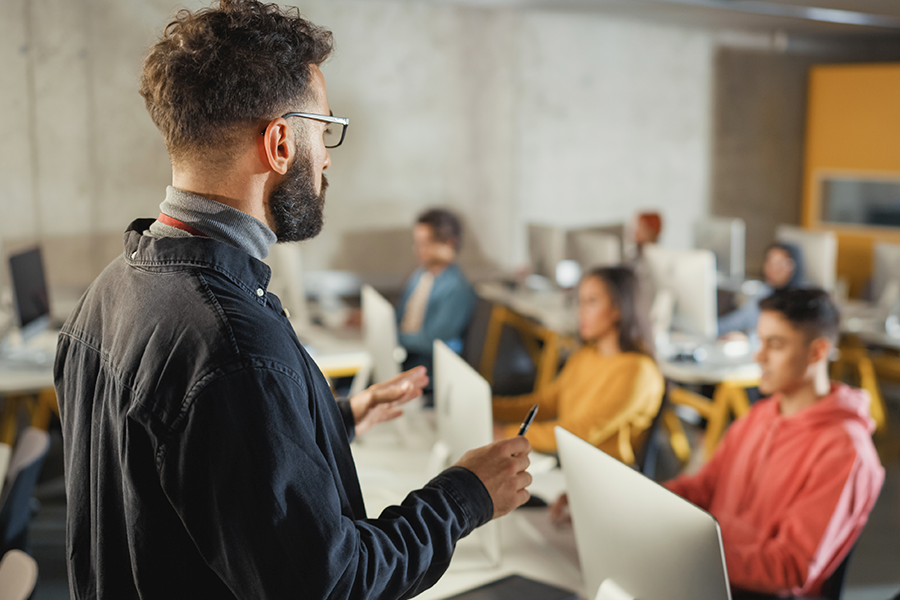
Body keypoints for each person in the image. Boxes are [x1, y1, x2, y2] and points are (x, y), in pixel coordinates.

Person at [53, 2, 532, 598]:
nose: (327, 156)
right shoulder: (234, 351)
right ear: (280, 142)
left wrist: (333, 420)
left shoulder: (107, 292)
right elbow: (331, 583)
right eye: (324, 129)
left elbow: (193, 466)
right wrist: (465, 496)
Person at [666, 288, 884, 598]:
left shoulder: (846, 451)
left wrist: (696, 558)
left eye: (776, 344)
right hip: (712, 576)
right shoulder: (760, 414)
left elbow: (789, 569)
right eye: (760, 340)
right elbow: (703, 489)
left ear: (817, 352)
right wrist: (640, 502)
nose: (759, 356)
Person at [492, 267, 664, 459]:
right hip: (567, 457)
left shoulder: (639, 371)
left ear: (619, 308)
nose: (581, 312)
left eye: (592, 302)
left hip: (599, 473)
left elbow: (581, 431)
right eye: (580, 302)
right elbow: (547, 404)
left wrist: (506, 434)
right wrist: (490, 407)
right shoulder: (586, 354)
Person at [396, 208, 476, 375]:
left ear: (449, 244)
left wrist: (393, 337)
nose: (417, 249)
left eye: (425, 243)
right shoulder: (419, 275)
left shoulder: (456, 288)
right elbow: (400, 316)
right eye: (417, 243)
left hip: (426, 366)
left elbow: (434, 341)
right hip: (404, 354)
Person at [718, 242, 804, 336]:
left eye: (778, 263)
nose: (771, 268)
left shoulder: (802, 304)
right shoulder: (764, 293)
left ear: (793, 267)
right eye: (769, 261)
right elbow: (738, 319)